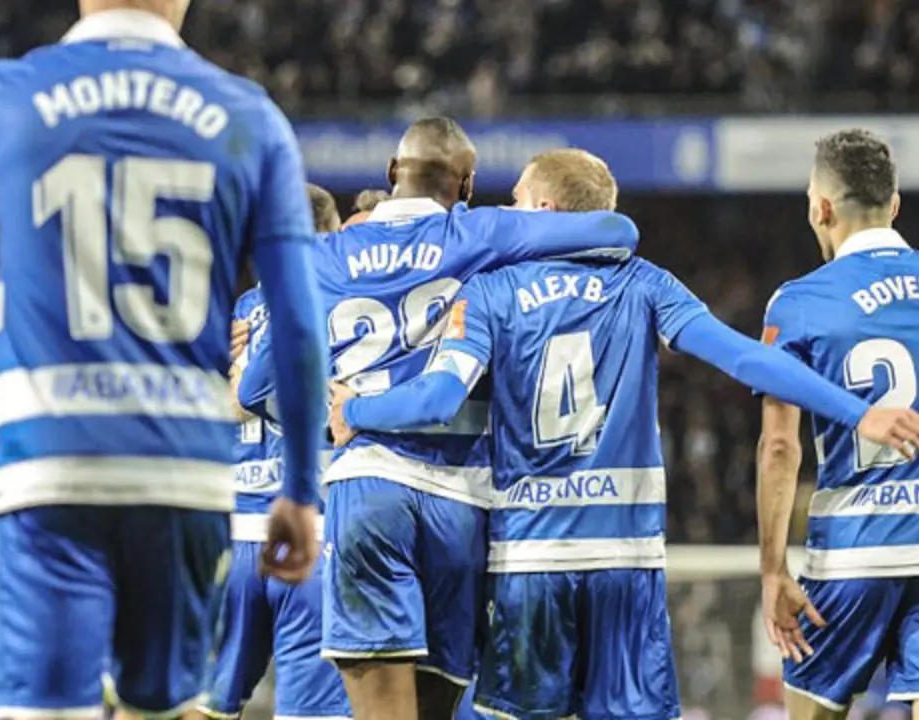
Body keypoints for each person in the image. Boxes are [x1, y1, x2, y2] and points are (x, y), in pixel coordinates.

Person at [0, 2, 328, 718]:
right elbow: (299, 325)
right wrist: (301, 491)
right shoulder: (250, 116)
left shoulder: (1, 96)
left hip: (50, 467)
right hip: (186, 477)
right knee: (164, 710)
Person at [327, 149, 919, 719]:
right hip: (628, 563)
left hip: (532, 564)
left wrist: (356, 410)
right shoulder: (645, 283)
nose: (506, 214)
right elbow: (747, 359)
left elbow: (437, 398)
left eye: (515, 202)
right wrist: (856, 411)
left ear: (544, 211)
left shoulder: (491, 293)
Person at [234, 118, 643, 720]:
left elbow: (256, 388)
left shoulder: (320, 256)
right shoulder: (482, 232)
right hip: (462, 502)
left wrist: (333, 408)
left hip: (368, 490)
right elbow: (618, 230)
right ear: (468, 184)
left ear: (391, 173)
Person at [754, 129, 919, 720]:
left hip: (850, 559)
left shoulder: (797, 301)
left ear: (820, 207)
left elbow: (779, 447)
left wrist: (772, 571)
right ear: (894, 206)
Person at [198, 184, 351, 720]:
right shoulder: (339, 301)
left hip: (237, 535)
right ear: (329, 238)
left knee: (205, 706)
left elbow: (224, 406)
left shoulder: (242, 308)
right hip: (311, 536)